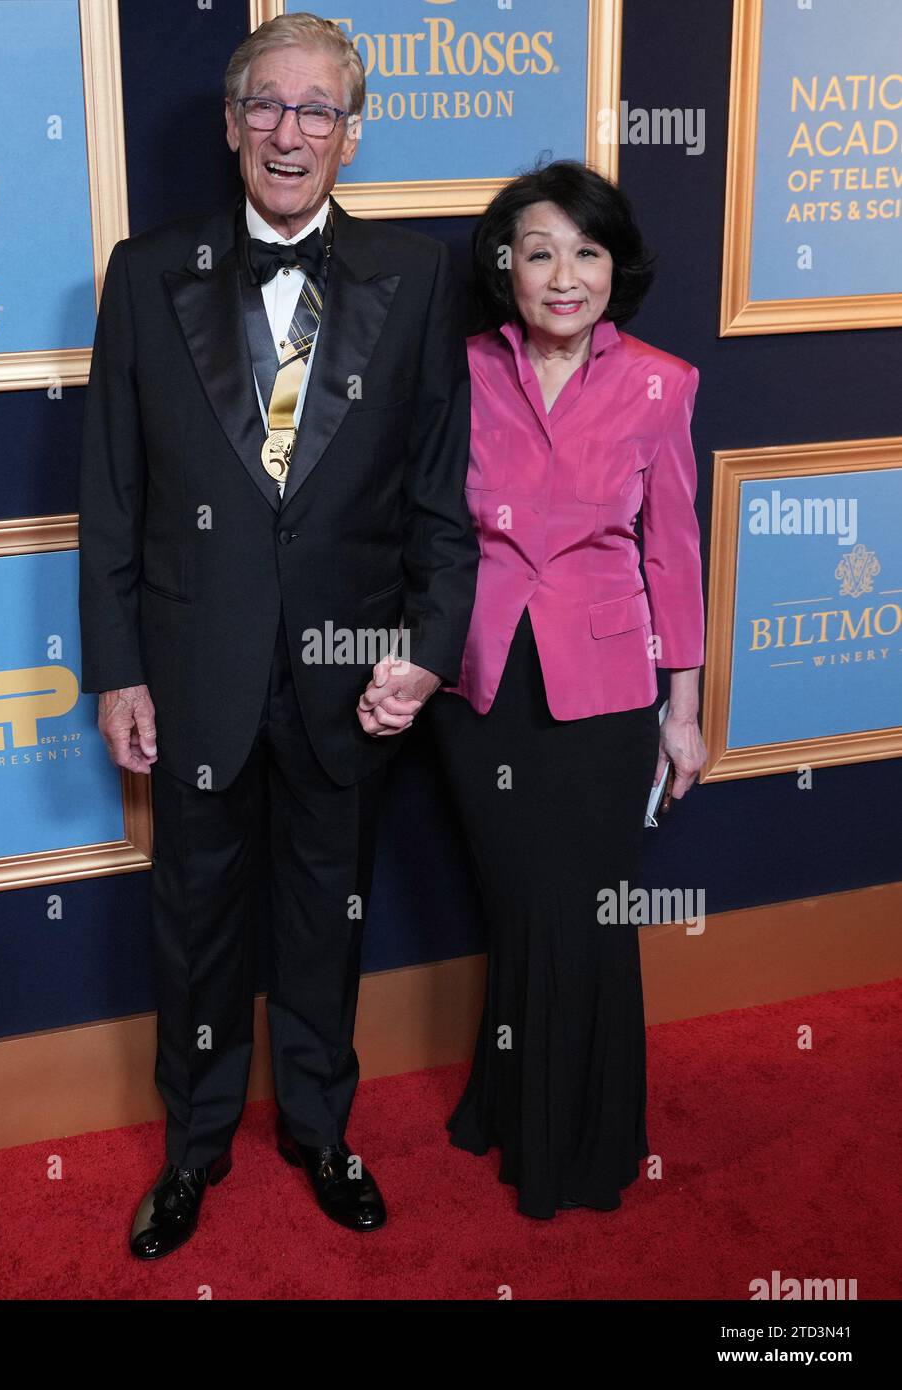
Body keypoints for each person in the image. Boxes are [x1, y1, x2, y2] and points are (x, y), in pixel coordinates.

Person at [77, 12, 477, 1259]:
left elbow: (438, 503)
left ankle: (318, 1125)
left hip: (348, 682)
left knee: (325, 913)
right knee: (193, 921)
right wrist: (118, 669)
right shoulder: (146, 275)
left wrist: (426, 646)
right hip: (194, 671)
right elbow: (111, 496)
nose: (288, 133)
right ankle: (193, 1147)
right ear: (232, 125)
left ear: (350, 137)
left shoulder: (415, 283)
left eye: (316, 111)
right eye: (266, 106)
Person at [426, 160, 707, 1219]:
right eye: (538, 251)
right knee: (519, 906)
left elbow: (671, 555)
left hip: (602, 688)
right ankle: (510, 1097)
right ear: (504, 266)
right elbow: (424, 527)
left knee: (583, 911)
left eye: (585, 252)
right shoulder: (455, 370)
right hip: (481, 678)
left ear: (612, 267)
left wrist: (680, 712)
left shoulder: (658, 383)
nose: (562, 275)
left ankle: (579, 1138)